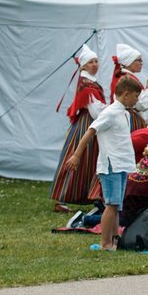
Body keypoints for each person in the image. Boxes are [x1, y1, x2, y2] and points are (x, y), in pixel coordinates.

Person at [65, 74, 143, 251]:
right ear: (125, 94)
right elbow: (90, 131)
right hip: (111, 165)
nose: (136, 100)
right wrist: (76, 155)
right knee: (111, 205)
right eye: (135, 96)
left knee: (117, 206)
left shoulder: (125, 114)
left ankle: (115, 240)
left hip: (122, 165)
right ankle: (105, 243)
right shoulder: (109, 113)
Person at [51, 44, 106, 211]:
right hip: (86, 125)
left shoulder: (90, 82)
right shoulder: (86, 84)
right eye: (91, 62)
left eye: (96, 61)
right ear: (83, 65)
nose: (95, 64)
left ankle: (84, 195)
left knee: (89, 160)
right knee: (78, 158)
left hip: (89, 123)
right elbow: (95, 109)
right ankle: (62, 198)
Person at [111, 43, 148, 131]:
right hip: (131, 120)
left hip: (122, 118)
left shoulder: (120, 76)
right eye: (139, 60)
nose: (141, 63)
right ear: (129, 62)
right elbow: (144, 105)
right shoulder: (129, 79)